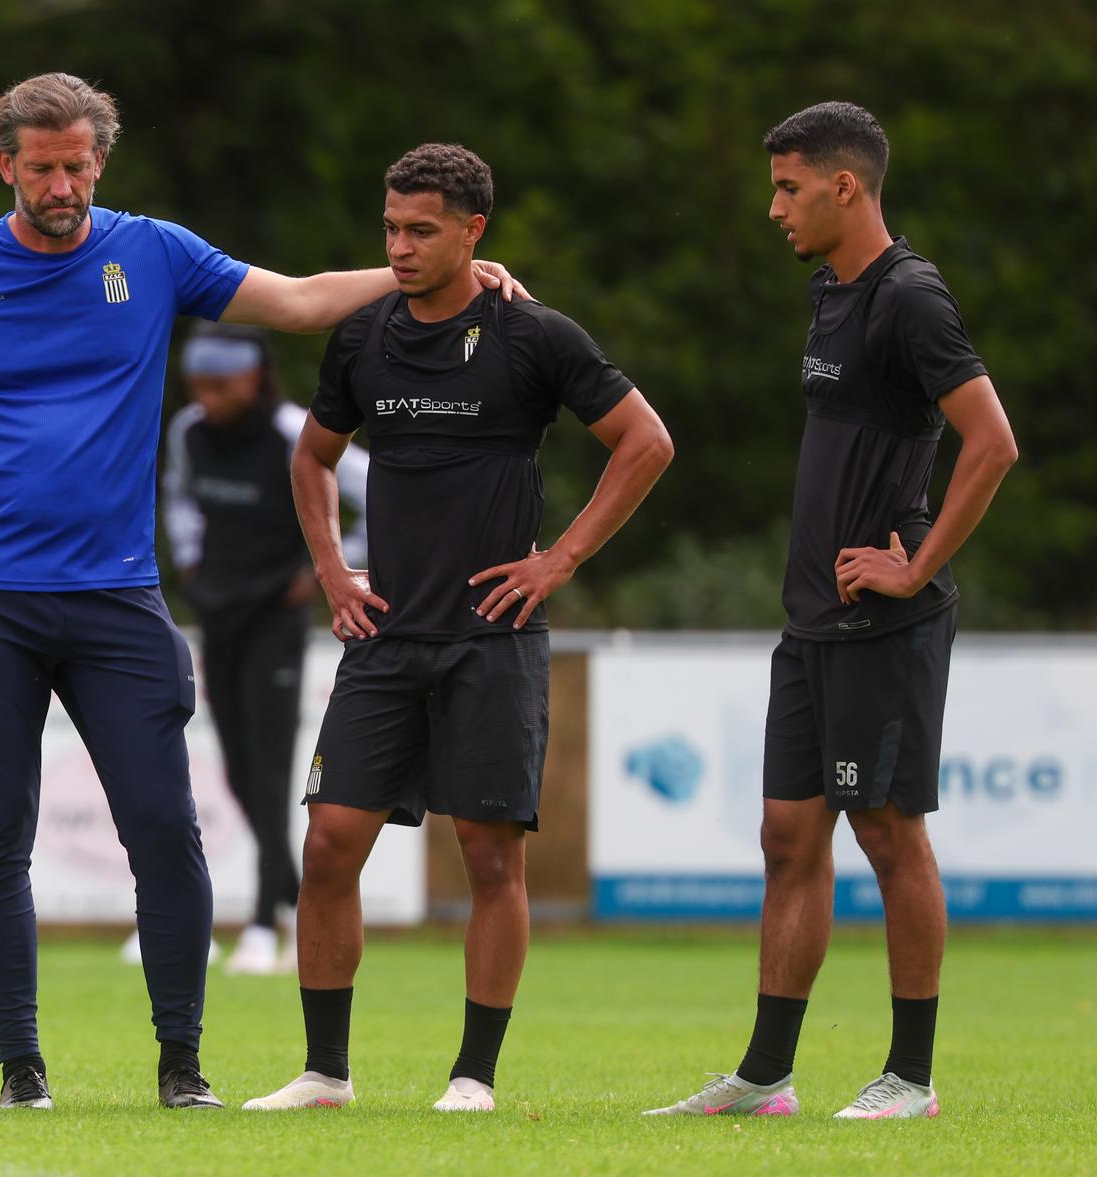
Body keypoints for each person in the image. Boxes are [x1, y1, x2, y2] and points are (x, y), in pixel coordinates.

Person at [0, 74, 527, 1111]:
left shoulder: (153, 252)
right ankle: (21, 1073)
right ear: (5, 165)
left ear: (102, 159)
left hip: (116, 598)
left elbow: (303, 301)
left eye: (78, 163)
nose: (62, 182)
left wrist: (444, 272)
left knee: (166, 829)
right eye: (41, 165)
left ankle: (183, 1068)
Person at [243, 143, 674, 1113]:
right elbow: (312, 460)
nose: (398, 246)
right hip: (385, 637)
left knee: (489, 856)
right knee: (327, 844)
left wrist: (558, 560)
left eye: (420, 230)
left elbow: (646, 442)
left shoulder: (536, 337)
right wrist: (331, 571)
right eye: (390, 227)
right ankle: (324, 1072)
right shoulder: (362, 339)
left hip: (493, 638)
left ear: (474, 231)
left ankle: (473, 1077)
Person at [647, 102, 1016, 1121]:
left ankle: (912, 1077)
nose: (775, 207)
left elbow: (992, 442)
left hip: (880, 623)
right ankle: (766, 1077)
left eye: (789, 187)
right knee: (785, 837)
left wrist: (915, 564)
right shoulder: (830, 294)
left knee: (889, 836)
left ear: (845, 186)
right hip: (809, 619)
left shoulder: (912, 298)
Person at [155, 323, 369, 975]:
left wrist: (331, 567)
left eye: (222, 384)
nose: (208, 397)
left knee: (274, 770)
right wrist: (191, 563)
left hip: (277, 617)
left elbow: (378, 497)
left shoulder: (292, 430)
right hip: (219, 614)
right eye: (199, 384)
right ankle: (297, 893)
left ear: (254, 377)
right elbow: (179, 498)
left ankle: (262, 922)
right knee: (240, 770)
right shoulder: (189, 429)